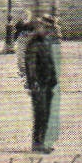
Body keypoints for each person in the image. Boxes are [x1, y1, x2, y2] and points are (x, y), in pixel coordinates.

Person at [24, 13, 61, 153]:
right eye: (44, 27)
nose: (46, 30)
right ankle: (37, 144)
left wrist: (54, 79)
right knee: (40, 114)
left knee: (46, 114)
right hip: (38, 84)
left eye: (48, 28)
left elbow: (50, 63)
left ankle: (42, 142)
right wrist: (33, 82)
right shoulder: (34, 43)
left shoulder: (46, 41)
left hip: (47, 83)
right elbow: (30, 65)